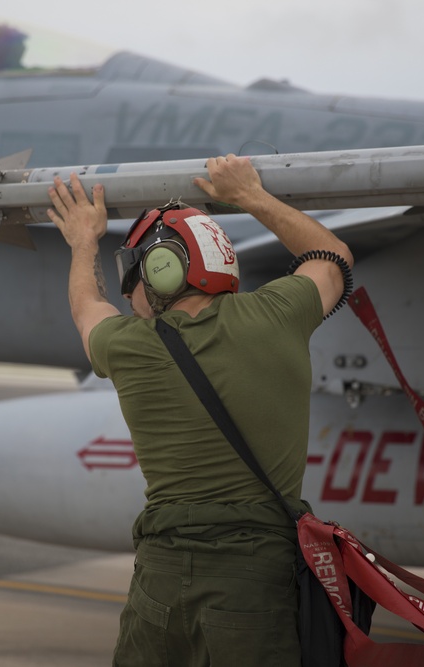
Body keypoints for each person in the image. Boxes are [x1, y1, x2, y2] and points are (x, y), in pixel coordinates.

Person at [47, 154, 354, 667]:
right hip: (255, 585)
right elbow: (332, 255)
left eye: (135, 276)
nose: (131, 296)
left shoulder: (128, 346)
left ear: (163, 269)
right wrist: (249, 194)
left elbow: (86, 309)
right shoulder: (276, 315)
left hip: (159, 582)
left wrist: (83, 241)